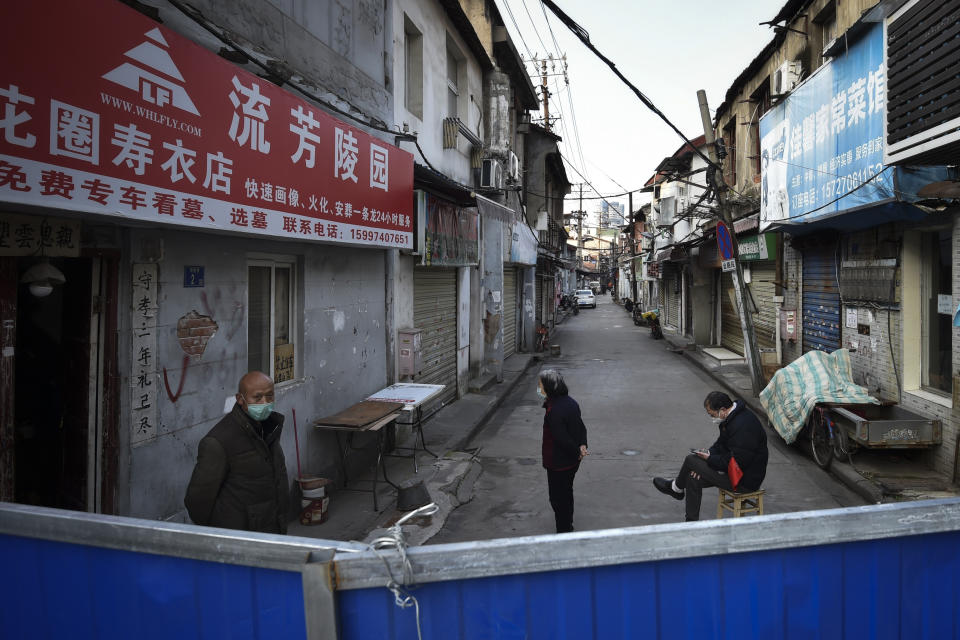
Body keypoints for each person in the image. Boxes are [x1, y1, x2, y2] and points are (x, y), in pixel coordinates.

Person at [185, 371, 290, 533]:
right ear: (240, 399)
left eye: (270, 396)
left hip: (271, 527)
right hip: (240, 535)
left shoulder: (268, 428)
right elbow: (198, 502)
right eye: (257, 397)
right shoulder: (219, 441)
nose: (265, 402)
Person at [653, 391, 768, 521]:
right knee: (692, 477)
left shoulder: (743, 426)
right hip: (734, 471)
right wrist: (709, 454)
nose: (712, 418)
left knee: (691, 460)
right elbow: (720, 445)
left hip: (743, 480)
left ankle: (676, 488)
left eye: (712, 415)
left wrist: (708, 460)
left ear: (723, 410)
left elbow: (734, 463)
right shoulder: (732, 418)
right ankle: (691, 522)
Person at [538, 369, 588, 533]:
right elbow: (581, 427)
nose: (539, 387)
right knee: (566, 492)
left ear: (549, 387)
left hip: (559, 463)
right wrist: (582, 445)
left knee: (558, 499)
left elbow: (562, 438)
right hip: (572, 461)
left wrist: (576, 451)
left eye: (540, 385)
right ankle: (568, 524)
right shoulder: (571, 403)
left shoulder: (555, 410)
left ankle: (564, 531)